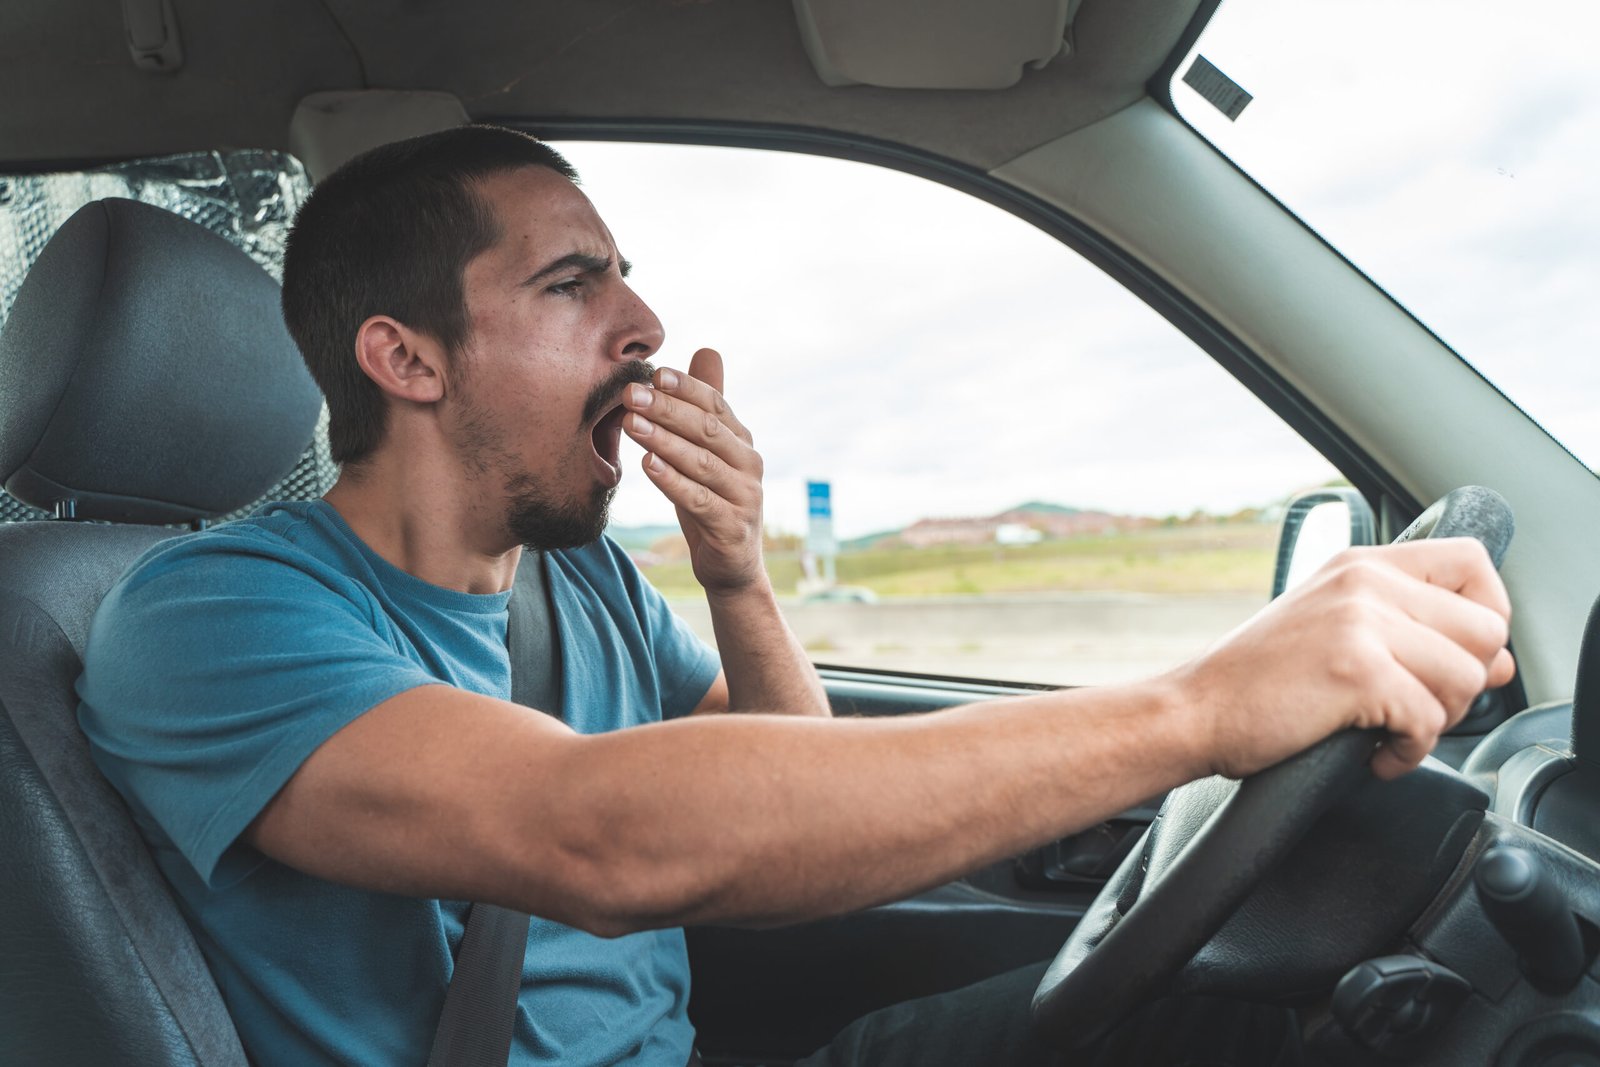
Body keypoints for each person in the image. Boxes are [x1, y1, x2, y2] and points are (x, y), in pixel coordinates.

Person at [76, 125, 1514, 1067]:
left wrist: (736, 570)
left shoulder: (576, 584)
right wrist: (1203, 707)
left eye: (628, 279)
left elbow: (800, 813)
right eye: (577, 286)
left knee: (1257, 1016)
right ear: (407, 360)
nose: (645, 326)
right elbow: (596, 836)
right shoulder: (210, 618)